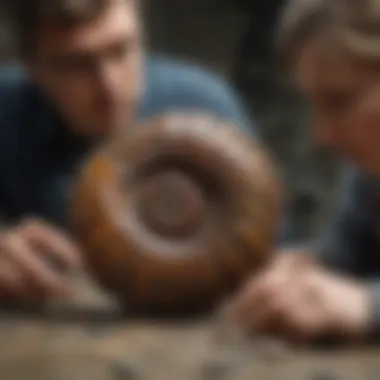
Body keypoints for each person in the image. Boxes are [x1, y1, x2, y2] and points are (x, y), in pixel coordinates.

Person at [0, 0, 254, 302]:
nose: (109, 86)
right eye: (77, 65)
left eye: (121, 50)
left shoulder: (206, 111)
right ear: (32, 68)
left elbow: (264, 264)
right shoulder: (7, 114)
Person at [228, 0, 380, 343]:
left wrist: (368, 306)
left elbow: (359, 298)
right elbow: (350, 252)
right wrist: (304, 268)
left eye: (339, 101)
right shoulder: (371, 176)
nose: (322, 134)